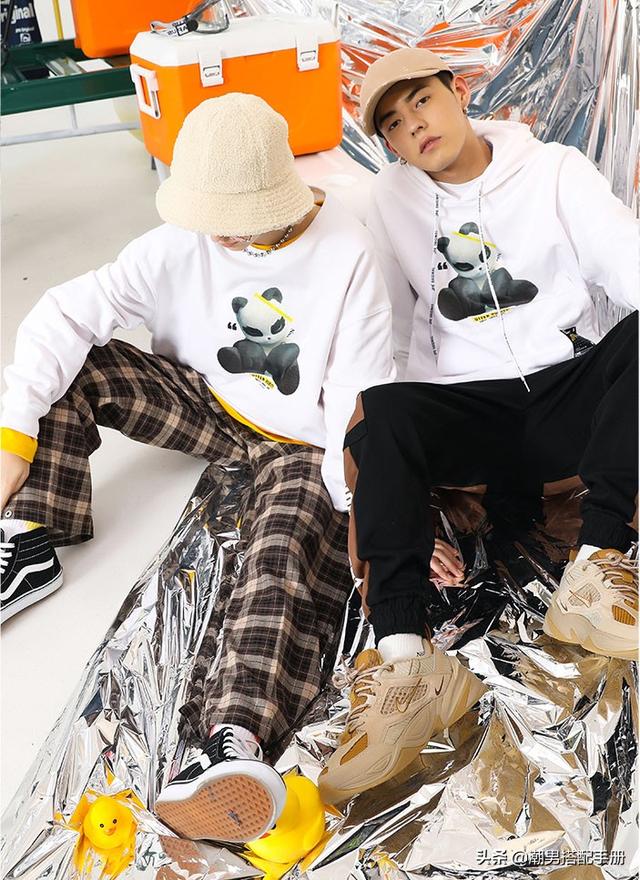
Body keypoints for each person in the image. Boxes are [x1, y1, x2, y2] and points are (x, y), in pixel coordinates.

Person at [0, 93, 399, 842]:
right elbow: (65, 311)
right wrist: (14, 439)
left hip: (300, 443)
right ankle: (26, 540)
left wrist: (361, 508)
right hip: (207, 403)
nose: (217, 231)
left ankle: (231, 744)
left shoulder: (347, 251)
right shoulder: (178, 242)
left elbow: (358, 399)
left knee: (278, 555)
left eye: (233, 217)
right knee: (76, 362)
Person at [318, 47, 638, 807]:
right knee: (382, 409)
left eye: (421, 101)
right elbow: (380, 339)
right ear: (386, 144)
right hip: (474, 414)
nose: (414, 126)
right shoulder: (383, 203)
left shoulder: (555, 171)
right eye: (392, 124)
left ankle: (598, 565)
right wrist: (374, 492)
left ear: (457, 91)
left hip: (567, 393)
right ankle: (407, 664)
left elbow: (630, 268)